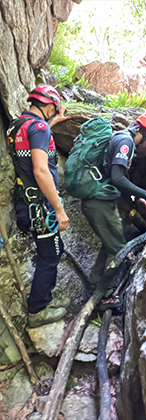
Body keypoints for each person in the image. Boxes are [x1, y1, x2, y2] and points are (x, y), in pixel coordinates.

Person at [81, 109, 146, 310]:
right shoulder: (126, 142)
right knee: (117, 247)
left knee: (110, 243)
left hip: (99, 201)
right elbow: (117, 178)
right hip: (99, 203)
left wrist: (138, 197)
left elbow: (121, 177)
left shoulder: (120, 138)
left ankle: (93, 287)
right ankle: (106, 297)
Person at [9, 85, 71, 327]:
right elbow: (40, 170)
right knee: (50, 255)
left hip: (24, 203)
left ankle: (43, 299)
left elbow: (32, 137)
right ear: (48, 106)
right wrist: (59, 208)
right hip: (40, 207)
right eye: (52, 110)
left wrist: (51, 123)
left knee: (50, 250)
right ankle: (37, 312)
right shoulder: (40, 128)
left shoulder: (18, 125)